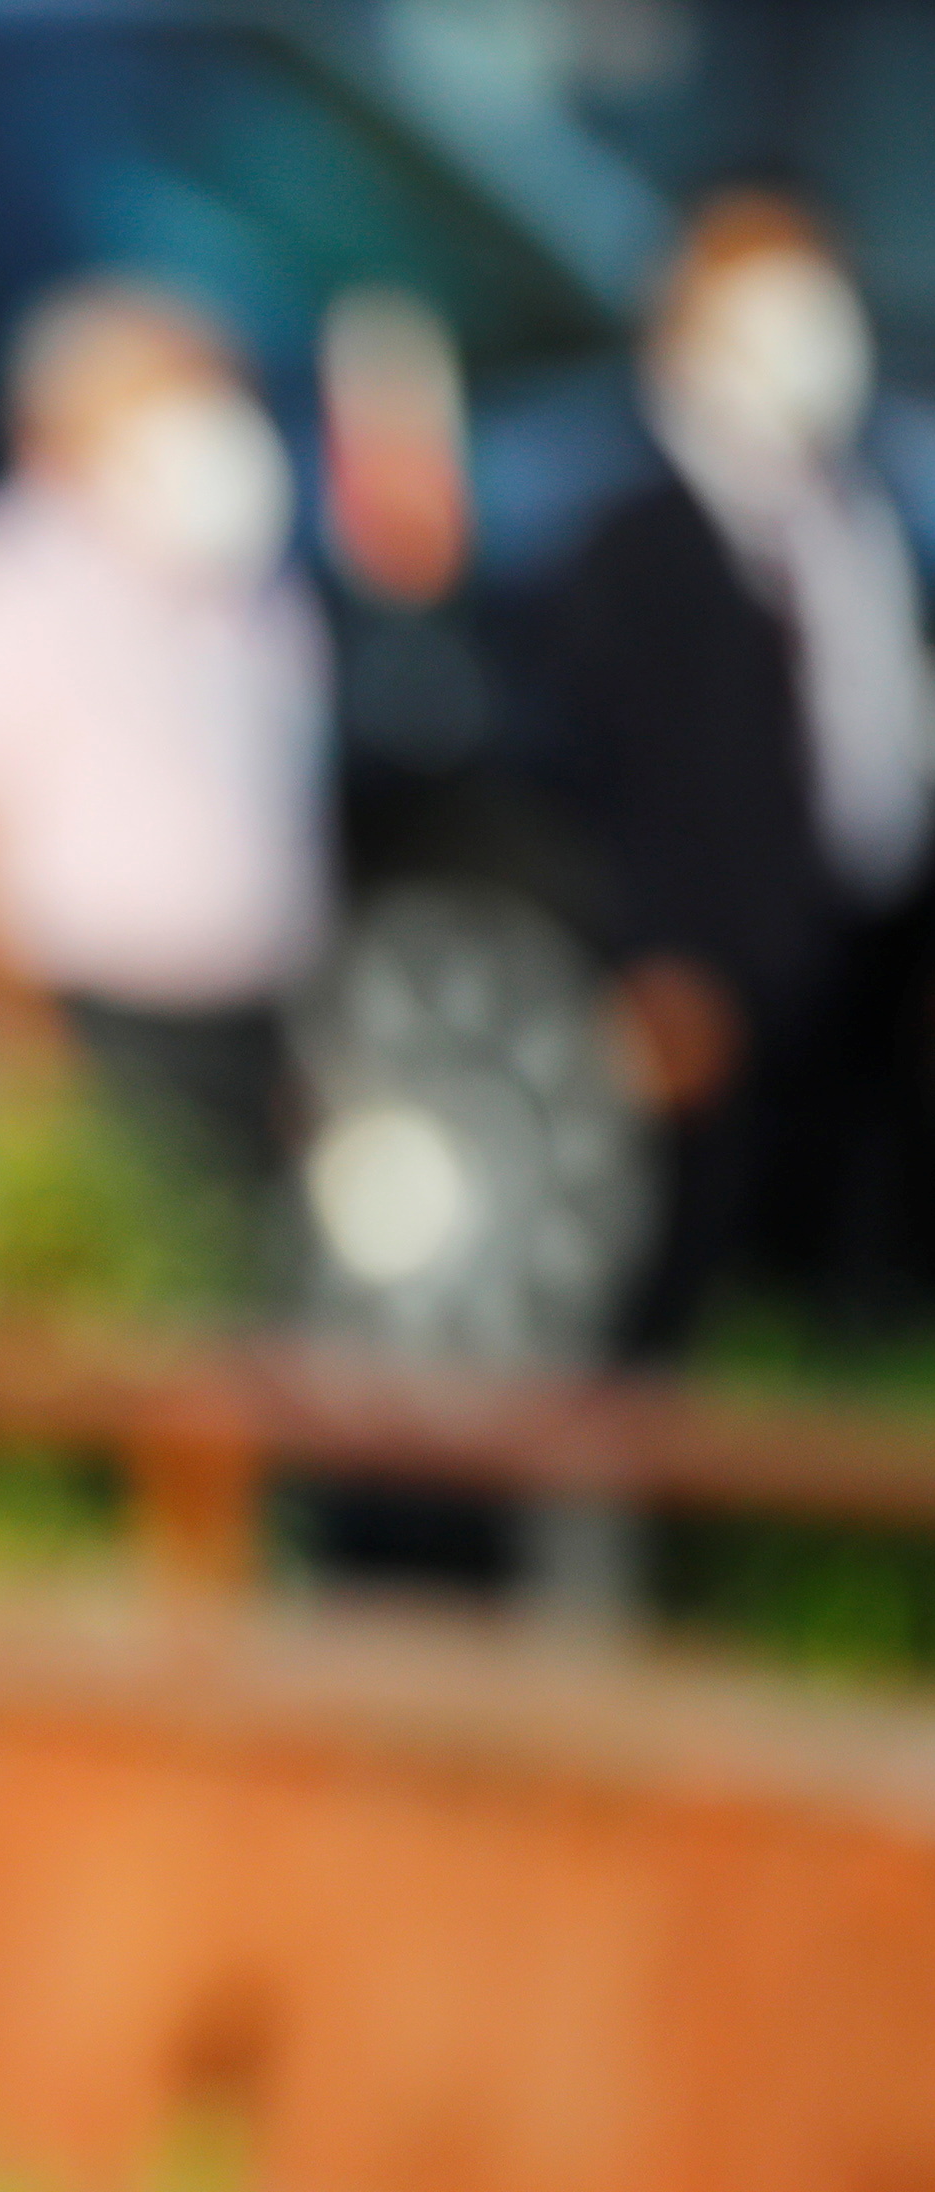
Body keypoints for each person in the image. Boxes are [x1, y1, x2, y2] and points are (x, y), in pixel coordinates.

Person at [535, 190, 935, 1354]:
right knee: (672, 1287)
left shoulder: (869, 512)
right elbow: (586, 767)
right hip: (702, 979)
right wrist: (643, 953)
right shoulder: (610, 530)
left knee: (845, 1291)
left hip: (859, 968)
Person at [0, 276, 332, 1186]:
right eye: (178, 395)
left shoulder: (263, 589)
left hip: (246, 1029)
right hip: (87, 1031)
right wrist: (10, 1055)